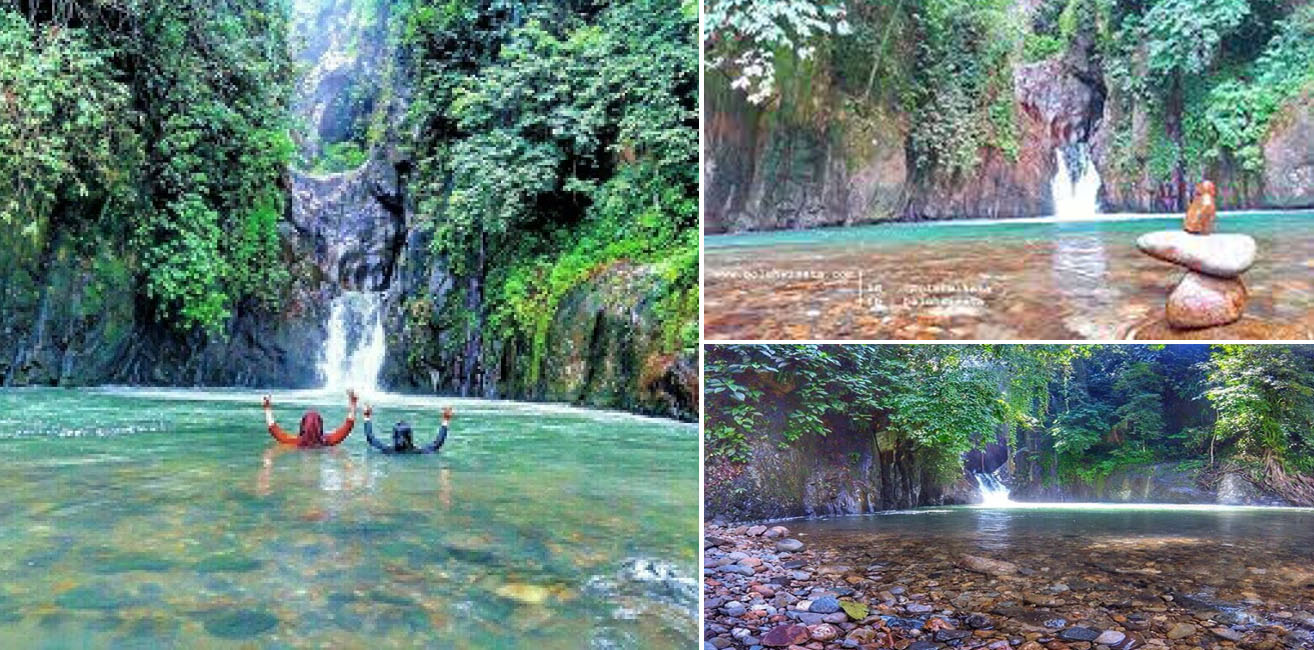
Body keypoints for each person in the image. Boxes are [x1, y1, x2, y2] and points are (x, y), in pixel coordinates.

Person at [262, 390, 358, 447]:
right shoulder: (328, 441)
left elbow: (274, 430)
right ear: (320, 426)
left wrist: (267, 408)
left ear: (302, 426)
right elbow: (348, 427)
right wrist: (353, 404)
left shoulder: (296, 442)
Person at [363, 403, 452, 454]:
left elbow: (370, 438)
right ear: (410, 436)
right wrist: (446, 419)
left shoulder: (387, 450)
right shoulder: (419, 452)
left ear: (394, 436)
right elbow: (438, 443)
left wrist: (367, 416)